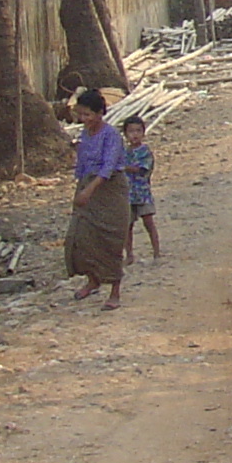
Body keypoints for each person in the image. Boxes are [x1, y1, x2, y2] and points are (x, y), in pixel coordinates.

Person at [65, 89, 129, 307]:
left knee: (111, 240)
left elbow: (108, 167)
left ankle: (115, 292)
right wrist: (80, 186)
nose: (83, 120)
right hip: (87, 188)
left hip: (109, 192)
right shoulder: (84, 134)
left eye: (87, 115)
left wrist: (89, 190)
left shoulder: (111, 136)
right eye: (80, 115)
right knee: (83, 237)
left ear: (100, 113)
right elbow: (83, 163)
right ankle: (92, 280)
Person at [121, 115, 161, 263]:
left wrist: (123, 167)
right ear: (125, 134)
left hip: (142, 193)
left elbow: (141, 169)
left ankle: (156, 252)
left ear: (143, 133)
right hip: (127, 194)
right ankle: (129, 254)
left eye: (138, 131)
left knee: (148, 222)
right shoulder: (123, 152)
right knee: (127, 226)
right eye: (131, 131)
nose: (135, 134)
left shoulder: (145, 152)